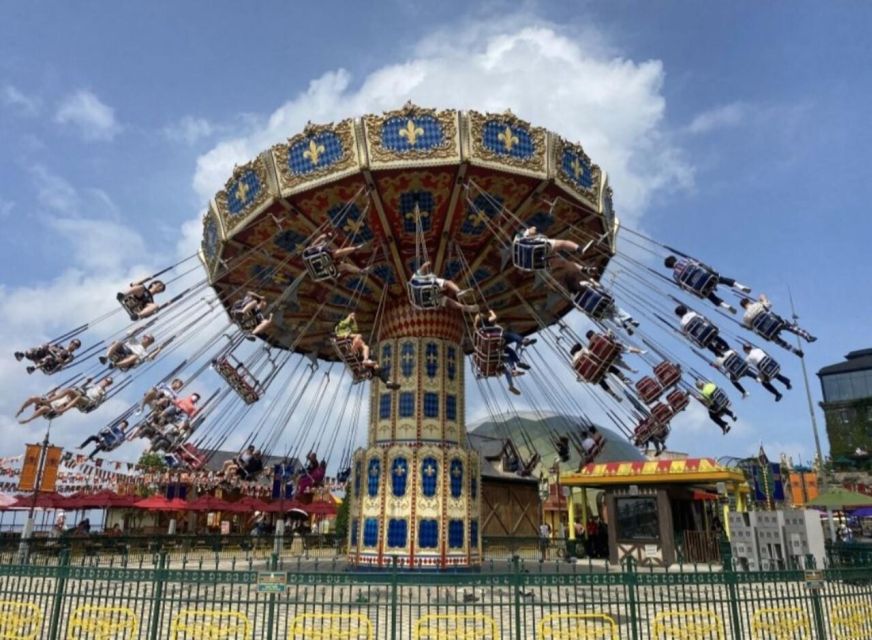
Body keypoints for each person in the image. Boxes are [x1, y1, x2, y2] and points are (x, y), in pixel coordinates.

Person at [664, 255, 751, 313]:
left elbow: (684, 287)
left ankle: (725, 306)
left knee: (710, 296)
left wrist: (698, 294)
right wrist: (713, 272)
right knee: (721, 279)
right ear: (675, 259)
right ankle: (739, 286)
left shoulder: (675, 276)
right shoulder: (685, 260)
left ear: (670, 267)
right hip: (705, 277)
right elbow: (700, 264)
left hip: (699, 287)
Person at [334, 313, 400, 390]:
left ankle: (388, 382)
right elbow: (345, 324)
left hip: (362, 361)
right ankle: (368, 362)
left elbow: (355, 329)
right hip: (351, 347)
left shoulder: (349, 332)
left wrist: (354, 320)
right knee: (361, 340)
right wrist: (349, 317)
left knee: (369, 353)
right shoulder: (340, 328)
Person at [740, 294, 816, 356]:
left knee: (779, 342)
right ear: (749, 301)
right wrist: (763, 298)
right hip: (776, 323)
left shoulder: (745, 317)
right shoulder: (757, 304)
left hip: (768, 333)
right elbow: (769, 305)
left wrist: (743, 325)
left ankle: (795, 351)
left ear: (743, 307)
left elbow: (750, 328)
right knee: (790, 327)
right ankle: (807, 336)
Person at [16, 376, 113, 424]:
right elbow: (81, 388)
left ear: (108, 385)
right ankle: (21, 409)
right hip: (60, 400)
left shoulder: (104, 393)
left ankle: (28, 420)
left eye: (108, 383)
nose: (105, 383)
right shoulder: (92, 385)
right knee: (33, 397)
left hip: (86, 401)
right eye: (105, 380)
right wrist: (86, 383)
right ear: (102, 379)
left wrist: (92, 405)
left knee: (44, 408)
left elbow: (97, 404)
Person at [413, 262, 478, 313]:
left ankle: (463, 307)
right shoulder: (421, 276)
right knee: (447, 283)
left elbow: (422, 269)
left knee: (445, 300)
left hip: (422, 300)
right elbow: (424, 266)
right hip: (428, 290)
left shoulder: (415, 278)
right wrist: (428, 263)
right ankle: (458, 292)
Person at [15, 338, 82, 375]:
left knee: (49, 358)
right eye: (73, 343)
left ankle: (33, 368)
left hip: (50, 365)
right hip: (45, 356)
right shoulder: (60, 347)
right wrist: (50, 349)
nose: (73, 345)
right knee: (43, 346)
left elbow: (63, 363)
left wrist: (57, 357)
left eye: (76, 345)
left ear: (76, 348)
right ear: (70, 342)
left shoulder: (70, 356)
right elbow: (50, 348)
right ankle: (22, 355)